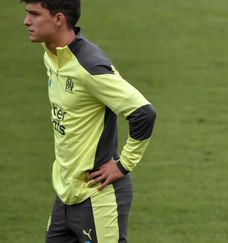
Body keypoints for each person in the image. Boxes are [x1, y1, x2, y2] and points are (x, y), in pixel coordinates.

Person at [22, 0, 156, 242]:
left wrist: (123, 164)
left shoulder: (89, 66)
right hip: (65, 194)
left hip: (98, 197)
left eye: (34, 14)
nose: (26, 21)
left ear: (59, 19)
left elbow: (143, 112)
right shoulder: (51, 56)